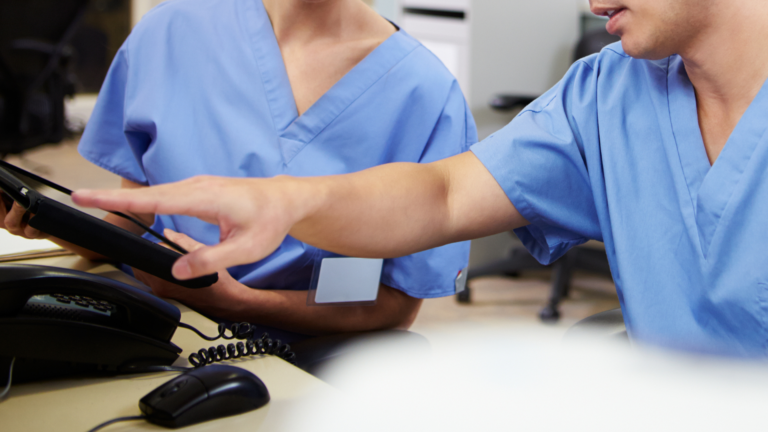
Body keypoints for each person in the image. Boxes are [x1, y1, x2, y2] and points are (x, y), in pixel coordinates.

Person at [72, 0, 768, 356]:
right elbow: (444, 192)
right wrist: (285, 200)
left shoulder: (414, 81)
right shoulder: (608, 92)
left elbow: (393, 302)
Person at [1, 0, 477, 341]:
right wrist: (42, 218)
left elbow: (393, 305)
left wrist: (236, 303)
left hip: (311, 347)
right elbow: (131, 223)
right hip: (153, 320)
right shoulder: (171, 31)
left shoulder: (425, 94)